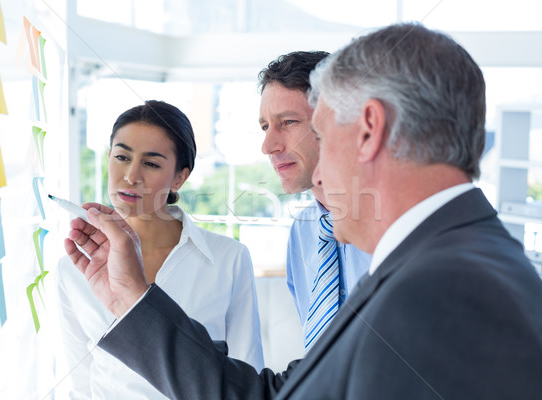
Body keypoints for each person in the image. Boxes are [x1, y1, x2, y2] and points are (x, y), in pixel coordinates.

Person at [65, 24, 542, 399]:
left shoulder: (450, 289)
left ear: (369, 129)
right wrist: (132, 298)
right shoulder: (443, 262)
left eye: (322, 131)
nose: (317, 174)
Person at [55, 100, 264, 399]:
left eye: (151, 163)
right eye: (122, 156)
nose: (131, 176)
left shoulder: (228, 259)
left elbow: (248, 372)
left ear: (179, 177)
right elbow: (79, 384)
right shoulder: (75, 269)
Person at [258, 52, 371, 349]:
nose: (268, 146)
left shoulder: (391, 225)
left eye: (289, 122)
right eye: (265, 127)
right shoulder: (303, 233)